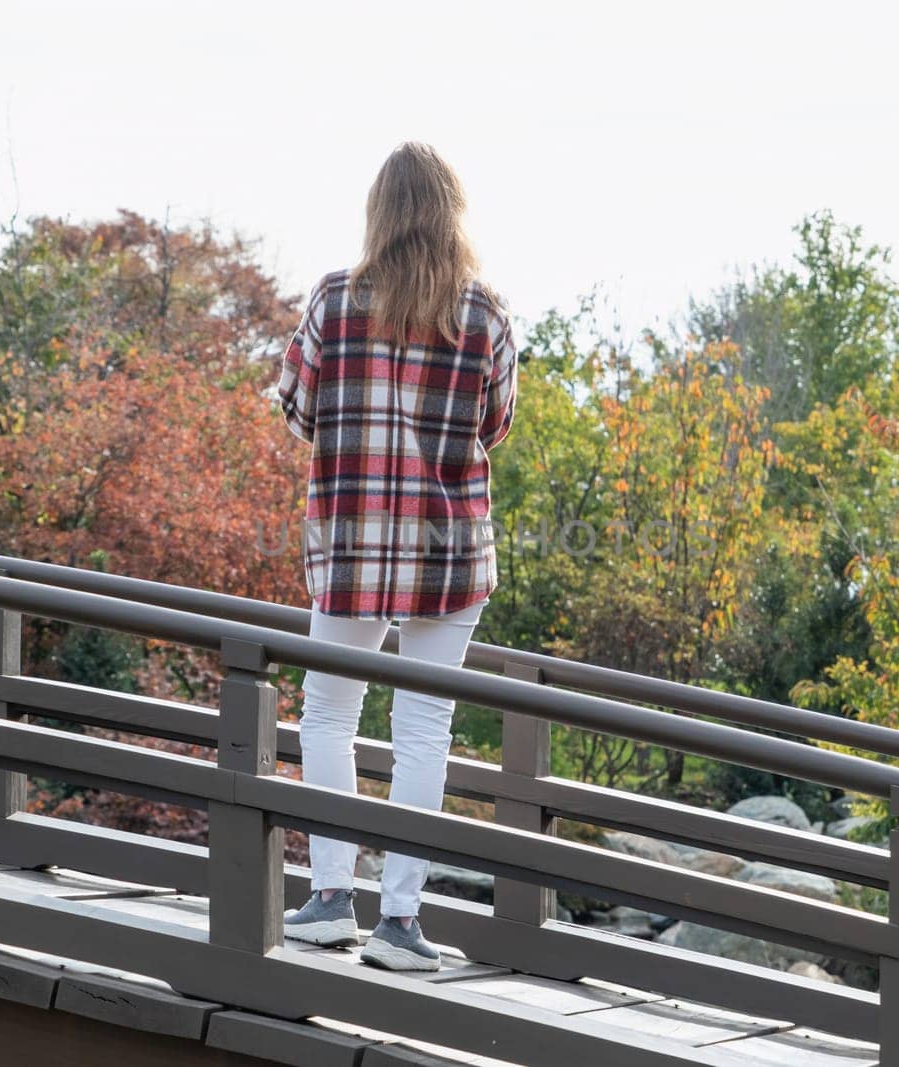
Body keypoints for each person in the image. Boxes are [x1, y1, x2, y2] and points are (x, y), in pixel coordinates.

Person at [272, 142, 519, 972]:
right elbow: (494, 427)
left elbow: (297, 411)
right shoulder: (484, 313)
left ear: (378, 211)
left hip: (349, 547)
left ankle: (330, 898)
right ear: (454, 212)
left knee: (330, 713)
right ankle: (401, 922)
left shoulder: (333, 301)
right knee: (424, 733)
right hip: (448, 558)